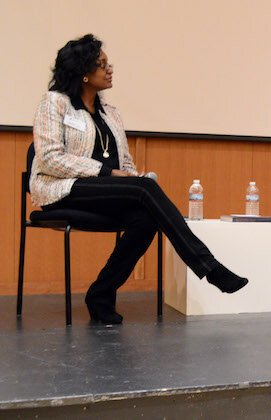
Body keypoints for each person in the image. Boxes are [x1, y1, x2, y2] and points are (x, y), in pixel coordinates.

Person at [31, 34, 248, 324]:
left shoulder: (112, 114)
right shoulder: (54, 103)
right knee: (145, 189)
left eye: (109, 64)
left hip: (101, 191)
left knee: (145, 219)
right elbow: (49, 158)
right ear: (83, 72)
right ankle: (208, 267)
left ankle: (101, 294)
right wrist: (108, 173)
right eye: (101, 65)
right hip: (61, 189)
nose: (110, 69)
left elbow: (125, 163)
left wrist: (132, 177)